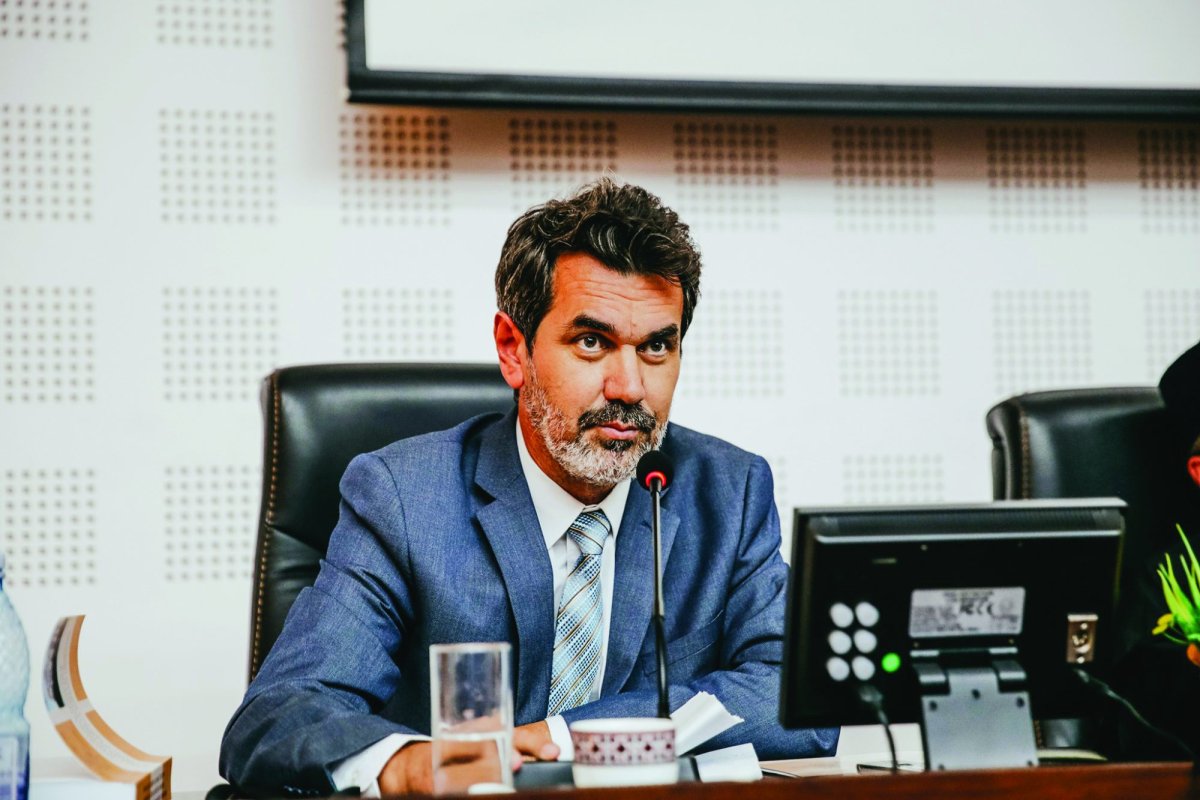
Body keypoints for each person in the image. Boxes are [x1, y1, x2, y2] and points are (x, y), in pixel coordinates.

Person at [219, 179, 838, 797]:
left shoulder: (728, 493)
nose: (629, 387)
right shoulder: (404, 498)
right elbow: (278, 717)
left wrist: (563, 739)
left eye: (656, 346)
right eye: (592, 342)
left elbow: (797, 701)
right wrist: (407, 764)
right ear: (513, 349)